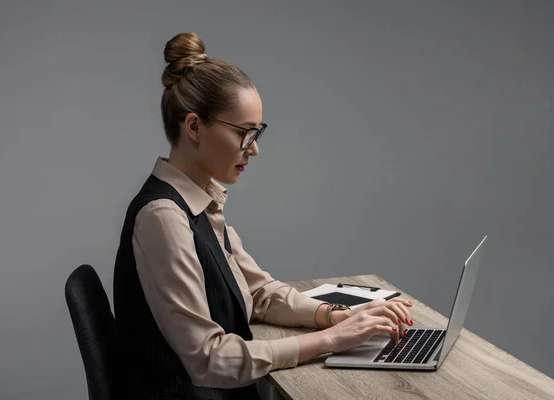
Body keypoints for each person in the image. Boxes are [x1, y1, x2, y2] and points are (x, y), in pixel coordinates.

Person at [113, 32, 414, 400]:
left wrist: (335, 316)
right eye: (244, 133)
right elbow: (209, 359)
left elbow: (257, 292)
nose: (253, 149)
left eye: (257, 132)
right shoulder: (163, 217)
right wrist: (331, 341)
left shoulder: (200, 202)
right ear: (194, 126)